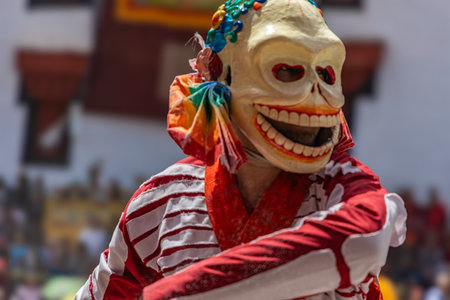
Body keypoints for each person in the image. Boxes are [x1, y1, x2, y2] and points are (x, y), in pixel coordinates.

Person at [76, 0, 407, 299]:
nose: (313, 94)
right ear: (217, 73)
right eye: (287, 70)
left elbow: (363, 241)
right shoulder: (159, 203)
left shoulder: (341, 187)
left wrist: (178, 293)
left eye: (326, 73)